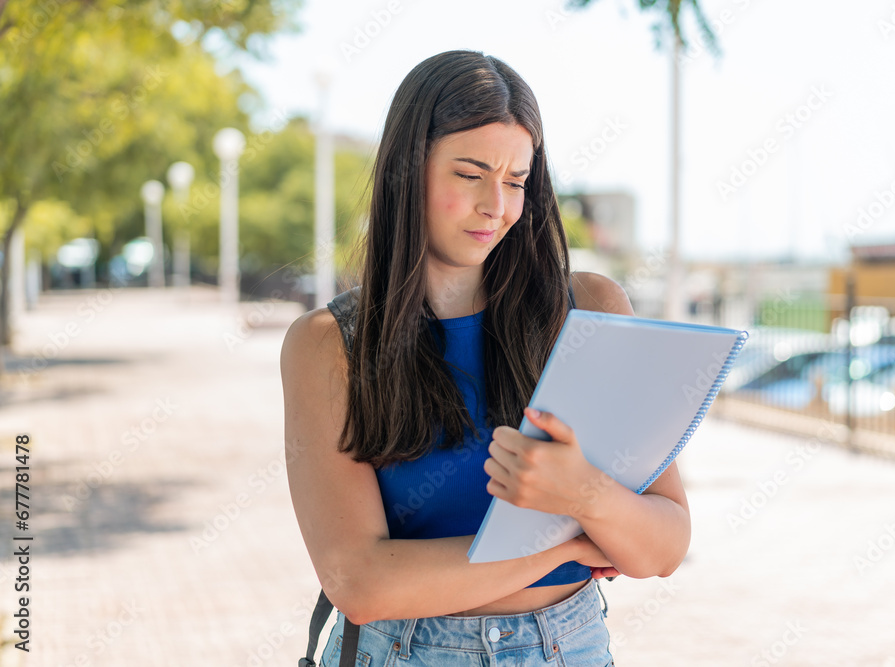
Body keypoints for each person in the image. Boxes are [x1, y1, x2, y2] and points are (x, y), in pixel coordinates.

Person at [280, 49, 691, 667]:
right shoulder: (329, 344)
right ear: (407, 172)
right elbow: (360, 583)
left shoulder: (591, 310)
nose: (497, 206)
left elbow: (663, 547)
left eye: (517, 181)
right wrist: (565, 546)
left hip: (570, 647)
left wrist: (586, 495)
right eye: (470, 174)